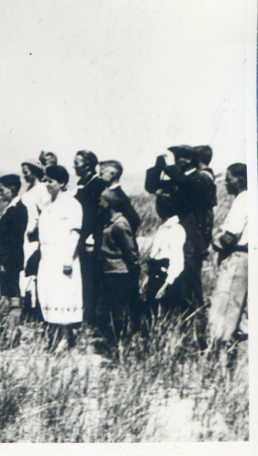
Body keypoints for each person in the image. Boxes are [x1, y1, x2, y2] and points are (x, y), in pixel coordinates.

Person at [145, 146, 214, 347]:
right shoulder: (182, 179)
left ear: (190, 160)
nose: (178, 162)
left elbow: (186, 186)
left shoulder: (199, 179)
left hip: (190, 245)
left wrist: (170, 167)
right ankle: (181, 337)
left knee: (190, 293)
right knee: (176, 293)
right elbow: (151, 186)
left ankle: (198, 339)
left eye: (181, 158)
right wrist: (159, 165)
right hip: (177, 241)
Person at [35, 165, 84, 351]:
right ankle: (53, 337)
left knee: (64, 295)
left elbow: (74, 234)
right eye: (45, 180)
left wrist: (68, 258)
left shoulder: (72, 204)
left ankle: (66, 338)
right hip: (47, 256)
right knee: (49, 294)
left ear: (62, 182)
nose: (47, 184)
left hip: (63, 255)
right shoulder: (47, 205)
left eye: (51, 181)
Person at [207, 163, 248, 350]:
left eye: (229, 179)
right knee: (245, 317)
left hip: (238, 259)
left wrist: (215, 239)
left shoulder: (243, 200)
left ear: (240, 180)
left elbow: (229, 238)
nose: (225, 183)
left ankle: (219, 359)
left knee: (224, 311)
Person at [96, 189, 141, 344]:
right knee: (111, 309)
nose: (98, 202)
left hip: (119, 273)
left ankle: (121, 341)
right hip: (109, 270)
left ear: (109, 203)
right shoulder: (110, 222)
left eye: (101, 199)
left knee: (119, 310)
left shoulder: (120, 225)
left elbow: (130, 251)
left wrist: (134, 270)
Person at [0, 174, 28, 344]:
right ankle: (7, 331)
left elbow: (14, 240)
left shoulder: (18, 210)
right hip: (6, 261)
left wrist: (5, 262)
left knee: (13, 296)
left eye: (2, 190)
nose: (0, 194)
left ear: (12, 189)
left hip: (10, 262)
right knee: (8, 295)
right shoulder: (12, 208)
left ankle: (12, 334)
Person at [73, 150, 108, 326]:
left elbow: (97, 214)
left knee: (91, 279)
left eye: (77, 163)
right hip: (82, 236)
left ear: (87, 165)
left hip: (90, 239)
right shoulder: (82, 183)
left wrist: (92, 237)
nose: (74, 166)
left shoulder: (96, 185)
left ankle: (91, 317)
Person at [20, 162, 50, 312]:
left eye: (26, 172)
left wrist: (35, 230)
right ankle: (29, 307)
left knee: (35, 273)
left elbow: (45, 213)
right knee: (27, 273)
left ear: (35, 172)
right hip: (25, 236)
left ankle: (37, 309)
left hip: (34, 238)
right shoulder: (29, 189)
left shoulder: (42, 189)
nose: (24, 175)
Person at [98, 160, 141, 236]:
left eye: (101, 174)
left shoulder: (110, 195)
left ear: (110, 174)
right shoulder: (119, 194)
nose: (99, 177)